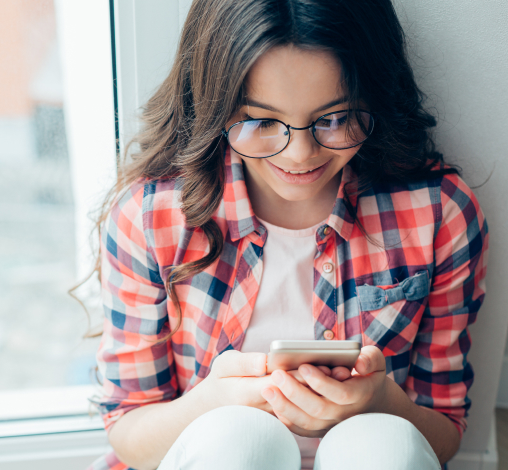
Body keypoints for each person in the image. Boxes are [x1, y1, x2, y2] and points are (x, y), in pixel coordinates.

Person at [84, 0, 489, 469]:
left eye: (333, 119)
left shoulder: (439, 212)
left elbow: (445, 429)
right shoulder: (153, 217)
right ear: (214, 109)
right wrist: (210, 402)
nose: (299, 155)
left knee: (382, 442)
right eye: (261, 122)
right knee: (237, 437)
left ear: (374, 97)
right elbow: (129, 429)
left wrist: (381, 401)